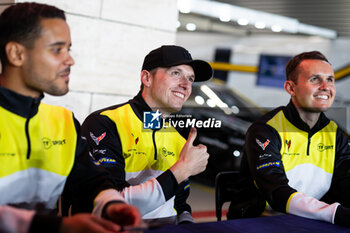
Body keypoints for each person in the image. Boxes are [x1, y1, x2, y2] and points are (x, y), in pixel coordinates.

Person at [0, 2, 141, 233]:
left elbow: (90, 180)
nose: (70, 60)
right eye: (57, 49)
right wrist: (59, 227)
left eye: (69, 48)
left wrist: (112, 204)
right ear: (17, 54)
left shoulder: (63, 121)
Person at [81, 45, 212, 225]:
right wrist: (182, 170)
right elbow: (110, 205)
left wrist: (186, 226)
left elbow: (181, 204)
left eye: (190, 78)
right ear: (146, 78)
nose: (186, 84)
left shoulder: (179, 138)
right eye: (176, 73)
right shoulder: (105, 123)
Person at [236, 51, 350, 227]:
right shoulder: (265, 130)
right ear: (291, 88)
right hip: (260, 222)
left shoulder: (334, 133)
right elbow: (276, 193)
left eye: (330, 80)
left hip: (312, 223)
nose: (325, 86)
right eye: (315, 79)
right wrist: (335, 213)